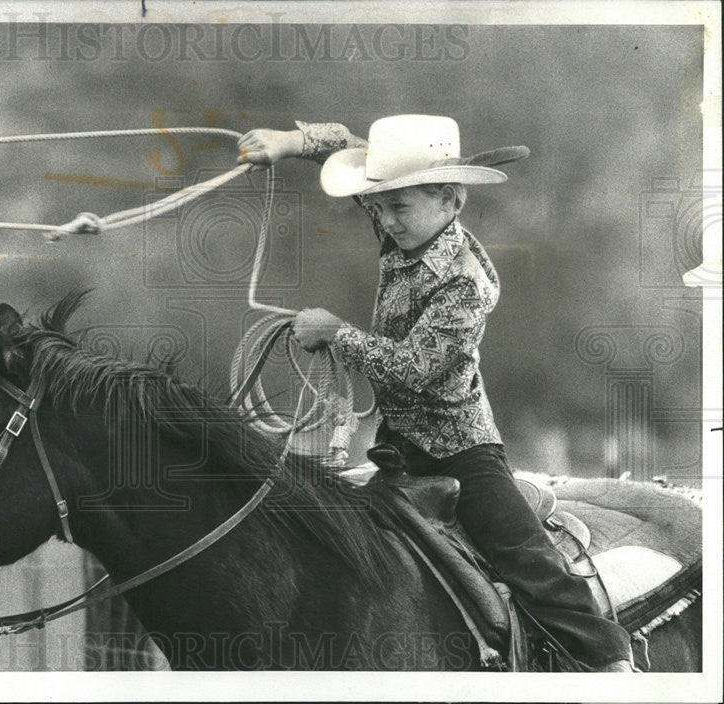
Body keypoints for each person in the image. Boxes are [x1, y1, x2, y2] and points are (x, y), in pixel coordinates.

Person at [236, 115, 634, 673]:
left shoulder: (464, 279)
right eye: (379, 207)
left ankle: (611, 664)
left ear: (449, 201)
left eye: (398, 208)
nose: (384, 219)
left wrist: (335, 333)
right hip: (399, 451)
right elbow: (353, 146)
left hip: (464, 454)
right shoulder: (406, 224)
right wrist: (287, 144)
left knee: (527, 559)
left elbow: (416, 368)